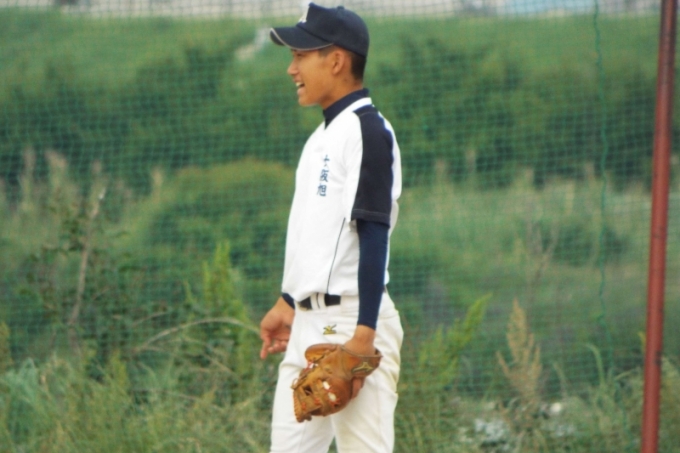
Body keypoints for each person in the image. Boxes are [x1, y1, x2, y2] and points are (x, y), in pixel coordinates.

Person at [258, 3, 403, 452]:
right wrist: (289, 300)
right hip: (308, 323)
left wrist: (364, 334)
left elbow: (373, 232)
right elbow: (317, 234)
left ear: (336, 60)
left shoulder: (367, 131)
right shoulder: (321, 137)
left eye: (301, 55)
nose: (292, 68)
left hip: (352, 321)